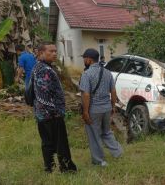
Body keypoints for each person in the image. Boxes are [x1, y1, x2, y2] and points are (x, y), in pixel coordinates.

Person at [32, 42, 77, 173]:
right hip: (51, 114)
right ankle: (67, 168)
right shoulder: (44, 70)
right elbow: (43, 94)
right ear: (41, 53)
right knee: (60, 143)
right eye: (50, 51)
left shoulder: (39, 67)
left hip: (42, 114)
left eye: (55, 51)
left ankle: (49, 168)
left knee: (47, 143)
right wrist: (55, 111)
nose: (54, 54)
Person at [79, 48, 122, 167]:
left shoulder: (86, 74)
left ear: (88, 59)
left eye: (84, 58)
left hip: (94, 110)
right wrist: (113, 106)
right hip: (107, 108)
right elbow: (113, 92)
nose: (84, 60)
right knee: (106, 132)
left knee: (94, 134)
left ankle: (99, 161)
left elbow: (86, 94)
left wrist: (85, 112)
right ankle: (118, 152)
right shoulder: (107, 73)